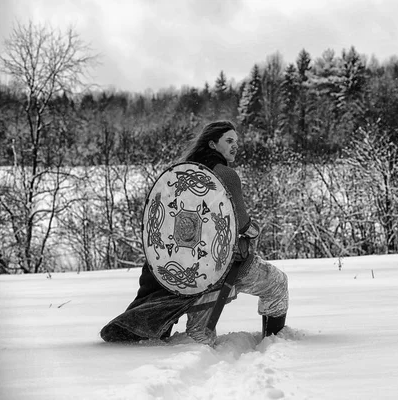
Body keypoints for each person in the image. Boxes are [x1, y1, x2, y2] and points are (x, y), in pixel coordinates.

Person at [100, 121, 288, 345]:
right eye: (229, 141)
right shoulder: (226, 175)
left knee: (199, 336)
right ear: (212, 144)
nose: (235, 146)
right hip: (221, 267)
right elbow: (243, 224)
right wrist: (255, 230)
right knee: (277, 283)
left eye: (236, 141)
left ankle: (194, 356)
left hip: (182, 270)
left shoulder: (181, 174)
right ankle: (275, 344)